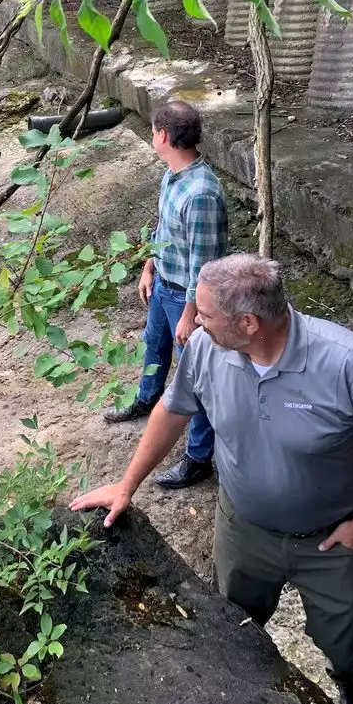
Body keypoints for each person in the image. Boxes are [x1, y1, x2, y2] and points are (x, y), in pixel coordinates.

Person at [73, 254, 353, 704]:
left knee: (347, 637)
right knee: (233, 621)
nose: (195, 321)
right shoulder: (206, 347)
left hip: (332, 540)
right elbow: (173, 410)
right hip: (243, 529)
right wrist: (126, 484)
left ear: (249, 322)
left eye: (205, 314)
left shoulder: (351, 364)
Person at [103, 99, 227, 491]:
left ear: (164, 136)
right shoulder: (172, 176)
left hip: (186, 297)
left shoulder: (201, 194)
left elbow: (204, 266)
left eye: (154, 129)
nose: (152, 135)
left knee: (198, 377)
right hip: (163, 286)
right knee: (153, 344)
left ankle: (198, 457)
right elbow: (163, 228)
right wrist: (149, 266)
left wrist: (191, 314)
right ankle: (147, 397)